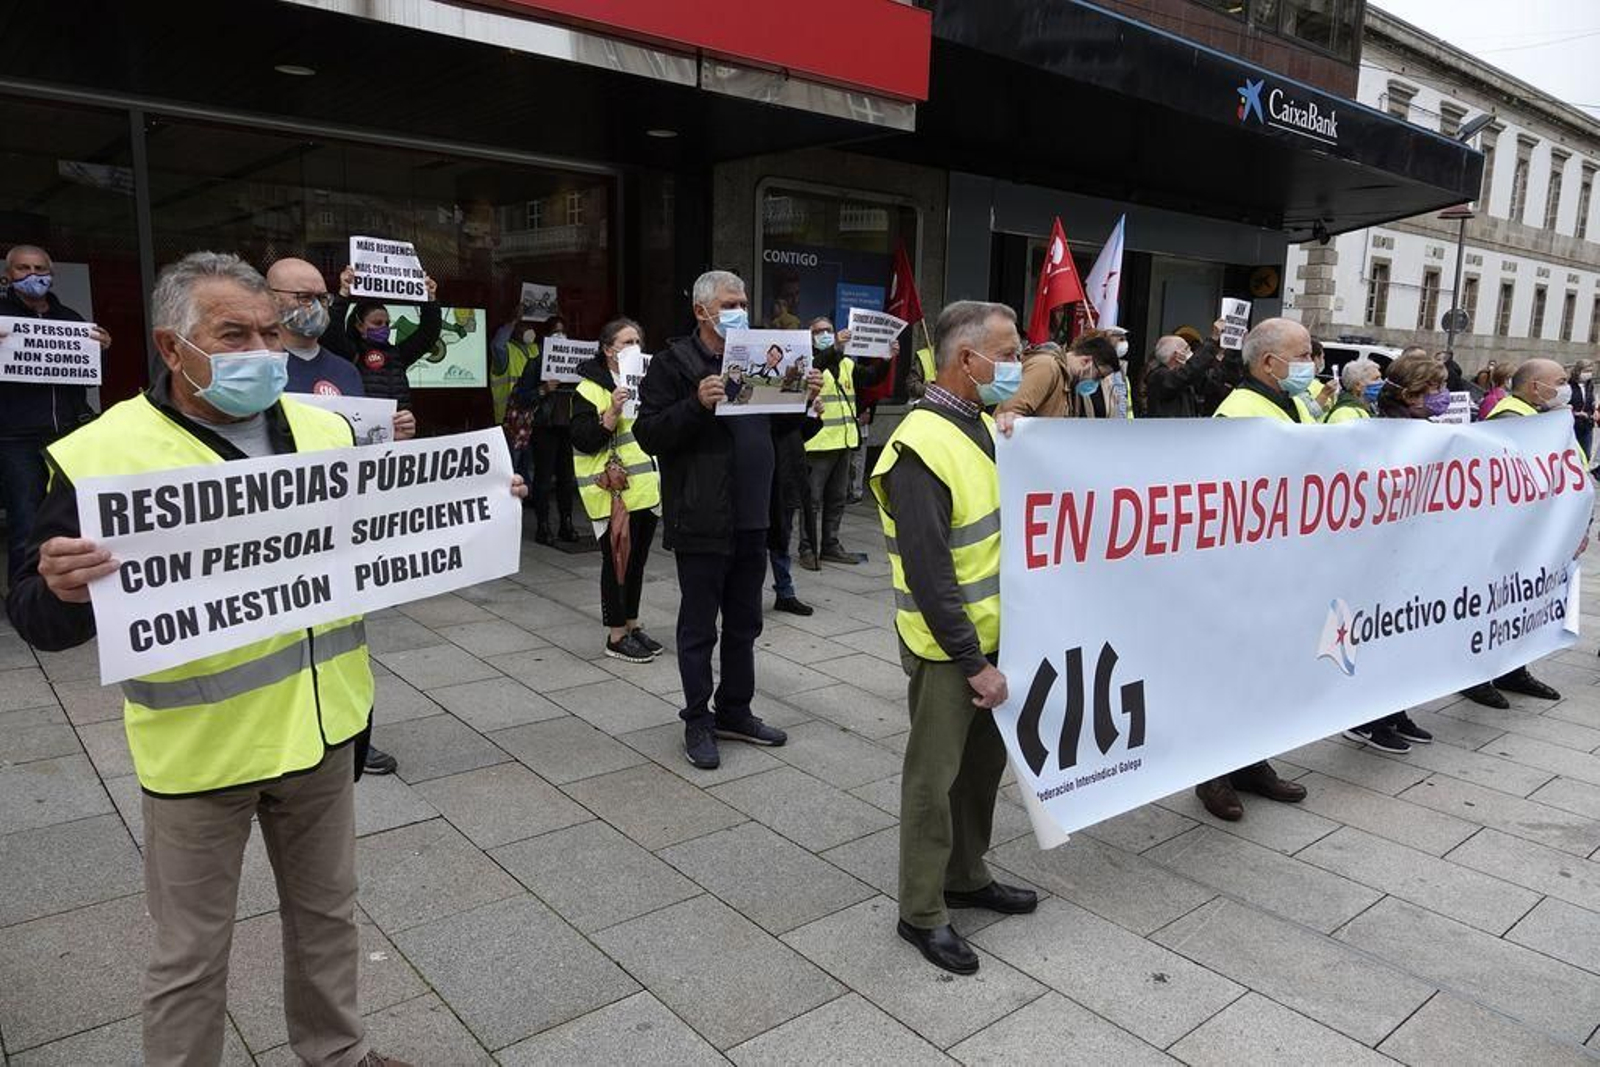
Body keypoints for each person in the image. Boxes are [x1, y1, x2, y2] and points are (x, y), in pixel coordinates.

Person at [3, 251, 462, 1067]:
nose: (261, 350)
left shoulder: (326, 428)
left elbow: (381, 536)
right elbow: (38, 616)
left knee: (329, 914)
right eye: (233, 334)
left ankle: (339, 1053)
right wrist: (60, 588)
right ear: (173, 348)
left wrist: (467, 503)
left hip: (324, 732)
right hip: (201, 753)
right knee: (189, 956)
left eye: (268, 331)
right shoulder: (100, 454)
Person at [871, 300, 1036, 976]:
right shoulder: (919, 447)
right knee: (932, 782)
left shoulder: (980, 427)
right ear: (967, 359)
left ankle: (967, 873)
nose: (1019, 362)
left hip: (996, 640)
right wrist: (973, 663)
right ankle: (922, 911)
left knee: (978, 774)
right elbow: (932, 574)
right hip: (950, 652)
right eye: (1009, 349)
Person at [634, 270, 823, 770]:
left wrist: (805, 401)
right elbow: (649, 433)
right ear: (702, 311)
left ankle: (734, 711)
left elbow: (784, 428)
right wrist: (696, 404)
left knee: (745, 622)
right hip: (702, 515)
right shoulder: (675, 363)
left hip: (755, 514)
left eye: (743, 301)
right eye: (730, 302)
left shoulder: (758, 354)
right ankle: (697, 719)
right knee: (699, 627)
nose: (741, 308)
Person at [267, 257, 413, 778]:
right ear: (271, 297)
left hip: (339, 527)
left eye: (322, 297)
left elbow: (362, 448)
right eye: (302, 297)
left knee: (345, 641)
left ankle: (354, 736)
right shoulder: (257, 366)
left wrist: (392, 434)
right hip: (278, 530)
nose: (315, 307)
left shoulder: (343, 369)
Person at [1196, 318, 1316, 821]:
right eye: (1305, 352)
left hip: (1285, 565)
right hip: (1244, 573)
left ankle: (1251, 761)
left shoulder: (1294, 404)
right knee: (1228, 674)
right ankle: (1211, 774)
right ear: (1269, 362)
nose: (1313, 363)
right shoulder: (1238, 413)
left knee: (1265, 673)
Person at [1340, 353, 1451, 753]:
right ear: (1408, 393)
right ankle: (1365, 719)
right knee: (1376, 638)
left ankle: (1393, 709)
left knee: (1403, 635)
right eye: (1432, 389)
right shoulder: (1378, 428)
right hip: (1380, 552)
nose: (1441, 396)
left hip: (1413, 550)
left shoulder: (1426, 428)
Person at [1458, 357, 1574, 706]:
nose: (1565, 387)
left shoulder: (1536, 416)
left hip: (1535, 531)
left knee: (1523, 602)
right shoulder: (1510, 418)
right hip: (1510, 533)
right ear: (1535, 386)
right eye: (1560, 380)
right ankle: (1475, 676)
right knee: (1495, 603)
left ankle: (1513, 669)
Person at [0, 245, 111, 583]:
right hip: (15, 434)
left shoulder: (71, 320)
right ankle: (25, 591)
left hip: (66, 431)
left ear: (51, 274)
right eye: (23, 269)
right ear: (8, 276)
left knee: (71, 515)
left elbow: (88, 375)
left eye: (39, 268)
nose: (33, 276)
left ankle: (71, 586)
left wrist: (101, 350)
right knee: (26, 517)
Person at [569, 317, 667, 663]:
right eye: (627, 342)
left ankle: (632, 625)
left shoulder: (647, 382)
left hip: (643, 490)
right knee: (617, 565)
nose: (634, 347)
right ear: (608, 350)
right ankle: (615, 636)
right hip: (612, 494)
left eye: (638, 341)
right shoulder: (589, 389)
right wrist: (611, 411)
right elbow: (582, 439)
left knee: (636, 563)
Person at [800, 317, 889, 568]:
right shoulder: (810, 362)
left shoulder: (846, 362)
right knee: (812, 501)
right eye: (818, 331)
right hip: (818, 442)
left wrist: (886, 359)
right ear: (811, 338)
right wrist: (835, 347)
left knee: (838, 498)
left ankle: (830, 545)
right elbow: (820, 362)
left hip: (844, 440)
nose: (825, 334)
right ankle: (807, 548)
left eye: (828, 330)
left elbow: (870, 378)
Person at [322, 266, 441, 410]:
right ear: (359, 326)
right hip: (362, 423)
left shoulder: (398, 355)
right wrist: (344, 293)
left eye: (387, 323)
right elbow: (332, 331)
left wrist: (430, 299)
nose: (384, 328)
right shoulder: (351, 353)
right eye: (377, 323)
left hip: (398, 426)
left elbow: (428, 333)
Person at [510, 318, 580, 545]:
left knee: (566, 478)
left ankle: (566, 523)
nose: (561, 337)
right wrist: (543, 389)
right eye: (555, 333)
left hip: (568, 426)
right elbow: (521, 396)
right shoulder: (535, 363)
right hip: (545, 426)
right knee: (543, 477)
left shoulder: (577, 363)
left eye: (563, 333)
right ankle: (543, 526)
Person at [995, 340, 1091, 418]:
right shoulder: (1047, 367)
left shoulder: (1065, 377)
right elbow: (1009, 413)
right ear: (1086, 361)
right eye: (1099, 376)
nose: (1096, 383)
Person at [1143, 327, 1221, 418]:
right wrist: (1212, 341)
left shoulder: (1184, 378)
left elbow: (1210, 384)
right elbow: (1188, 371)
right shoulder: (1159, 376)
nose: (1191, 353)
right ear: (1177, 355)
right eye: (1187, 349)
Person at [1324, 357, 1382, 423]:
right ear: (1358, 386)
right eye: (1376, 379)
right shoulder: (1344, 414)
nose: (1381, 382)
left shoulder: (1371, 407)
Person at [1570, 359, 1596, 461]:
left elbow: (1590, 402)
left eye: (1591, 371)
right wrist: (1576, 413)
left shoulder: (1589, 385)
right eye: (1586, 371)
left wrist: (1593, 412)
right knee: (1573, 454)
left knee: (1586, 456)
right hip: (1573, 425)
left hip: (1587, 424)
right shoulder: (1569, 385)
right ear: (1578, 371)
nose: (1589, 374)